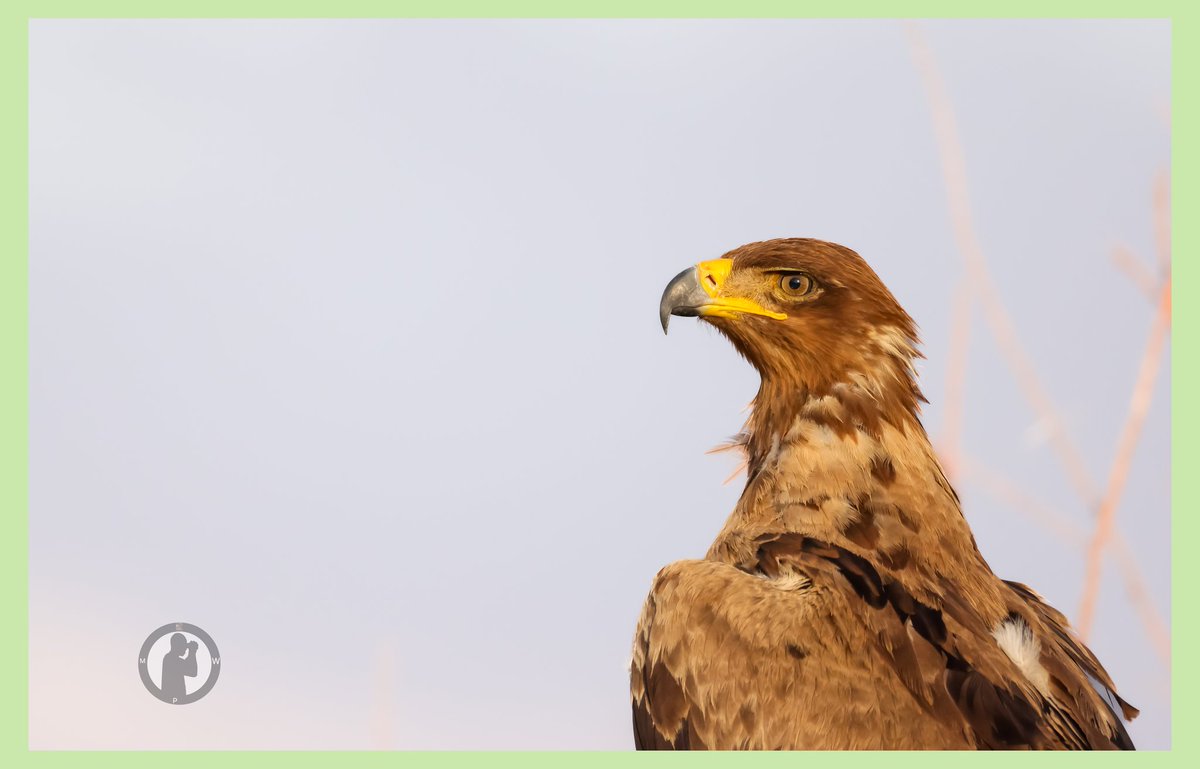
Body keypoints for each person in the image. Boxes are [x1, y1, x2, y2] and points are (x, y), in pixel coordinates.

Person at [160, 633, 198, 703]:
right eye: (183, 645)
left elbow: (186, 666)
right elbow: (192, 671)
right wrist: (192, 652)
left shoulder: (170, 658)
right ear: (177, 646)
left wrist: (191, 652)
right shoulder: (170, 659)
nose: (185, 649)